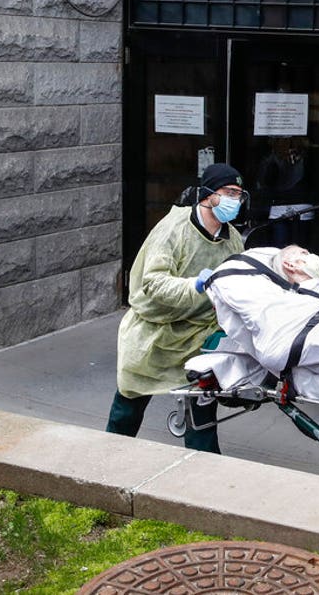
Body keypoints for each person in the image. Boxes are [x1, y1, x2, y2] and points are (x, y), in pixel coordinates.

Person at [105, 163, 246, 453]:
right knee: (129, 402)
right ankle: (108, 456)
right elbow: (153, 283)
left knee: (202, 405)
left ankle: (203, 467)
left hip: (198, 333)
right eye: (229, 192)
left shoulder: (231, 239)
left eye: (240, 195)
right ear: (208, 195)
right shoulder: (173, 230)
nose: (236, 200)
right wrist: (195, 285)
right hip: (154, 333)